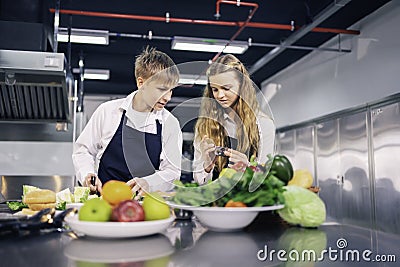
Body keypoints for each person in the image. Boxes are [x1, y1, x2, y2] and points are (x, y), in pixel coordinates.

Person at [72, 46, 183, 197]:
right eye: (161, 89)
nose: (167, 97)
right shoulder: (108, 111)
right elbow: (83, 150)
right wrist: (87, 174)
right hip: (102, 201)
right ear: (141, 83)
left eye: (171, 90)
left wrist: (148, 183)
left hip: (143, 205)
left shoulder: (170, 123)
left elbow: (172, 171)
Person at [192, 54, 275, 184]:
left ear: (242, 86)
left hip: (248, 202)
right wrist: (206, 166)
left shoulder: (263, 124)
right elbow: (198, 181)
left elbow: (267, 178)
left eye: (226, 88)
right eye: (215, 89)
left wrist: (248, 168)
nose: (220, 95)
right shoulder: (205, 125)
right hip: (215, 201)